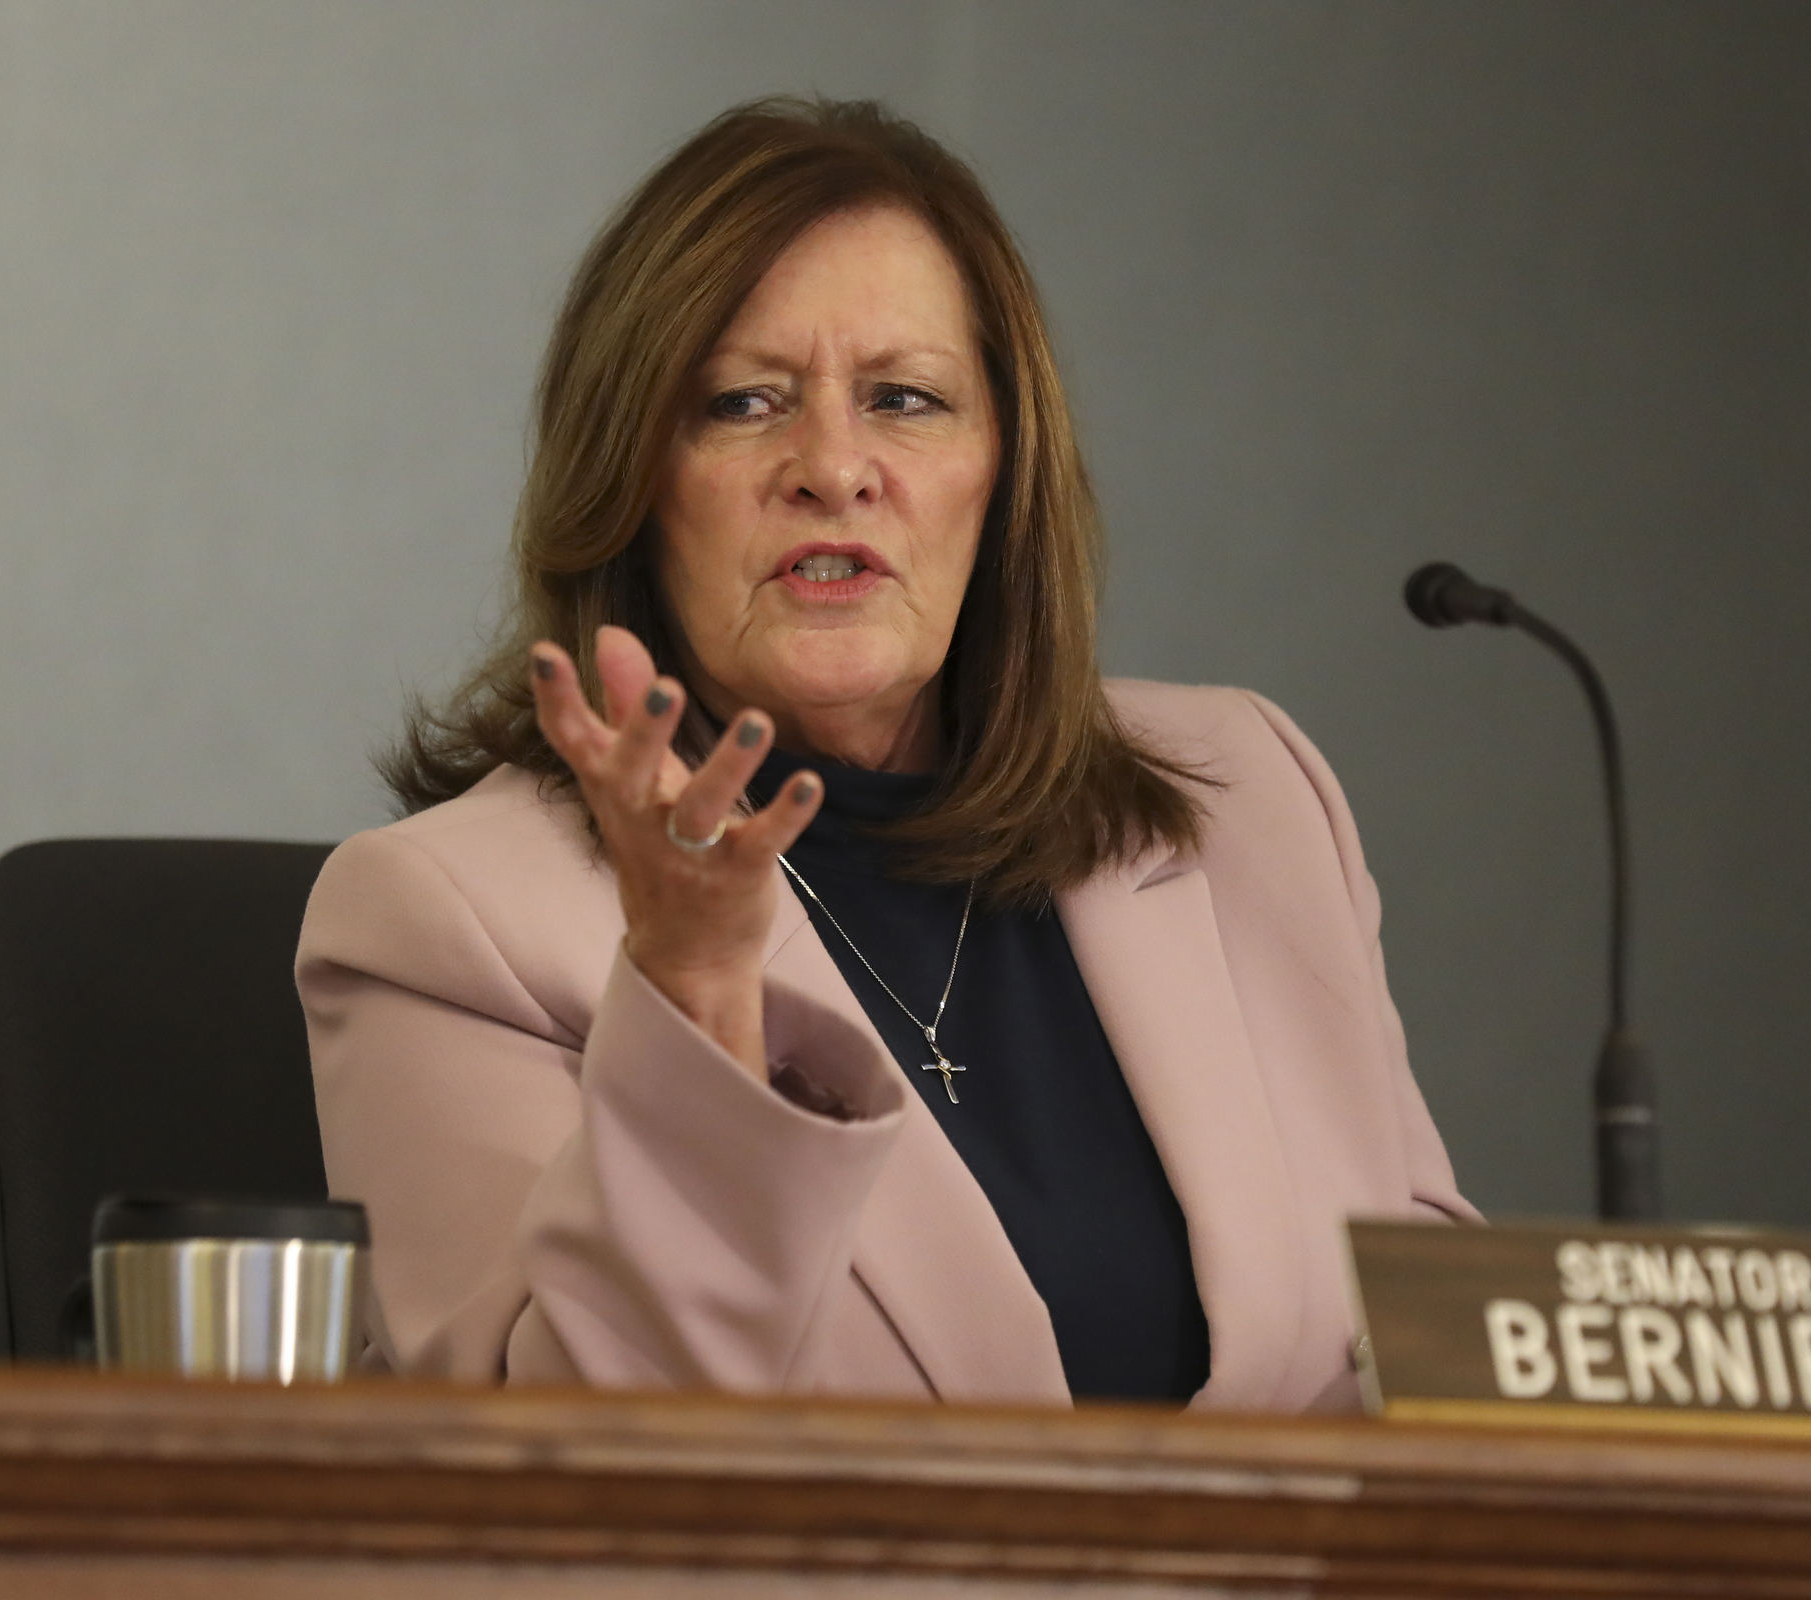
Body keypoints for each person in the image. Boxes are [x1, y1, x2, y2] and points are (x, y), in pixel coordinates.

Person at [297, 97, 1473, 1411]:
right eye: (744, 404)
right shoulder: (447, 922)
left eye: (905, 400)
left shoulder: (1246, 797)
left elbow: (1430, 1355)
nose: (835, 468)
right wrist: (695, 997)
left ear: (1006, 471)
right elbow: (566, 1488)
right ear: (630, 481)